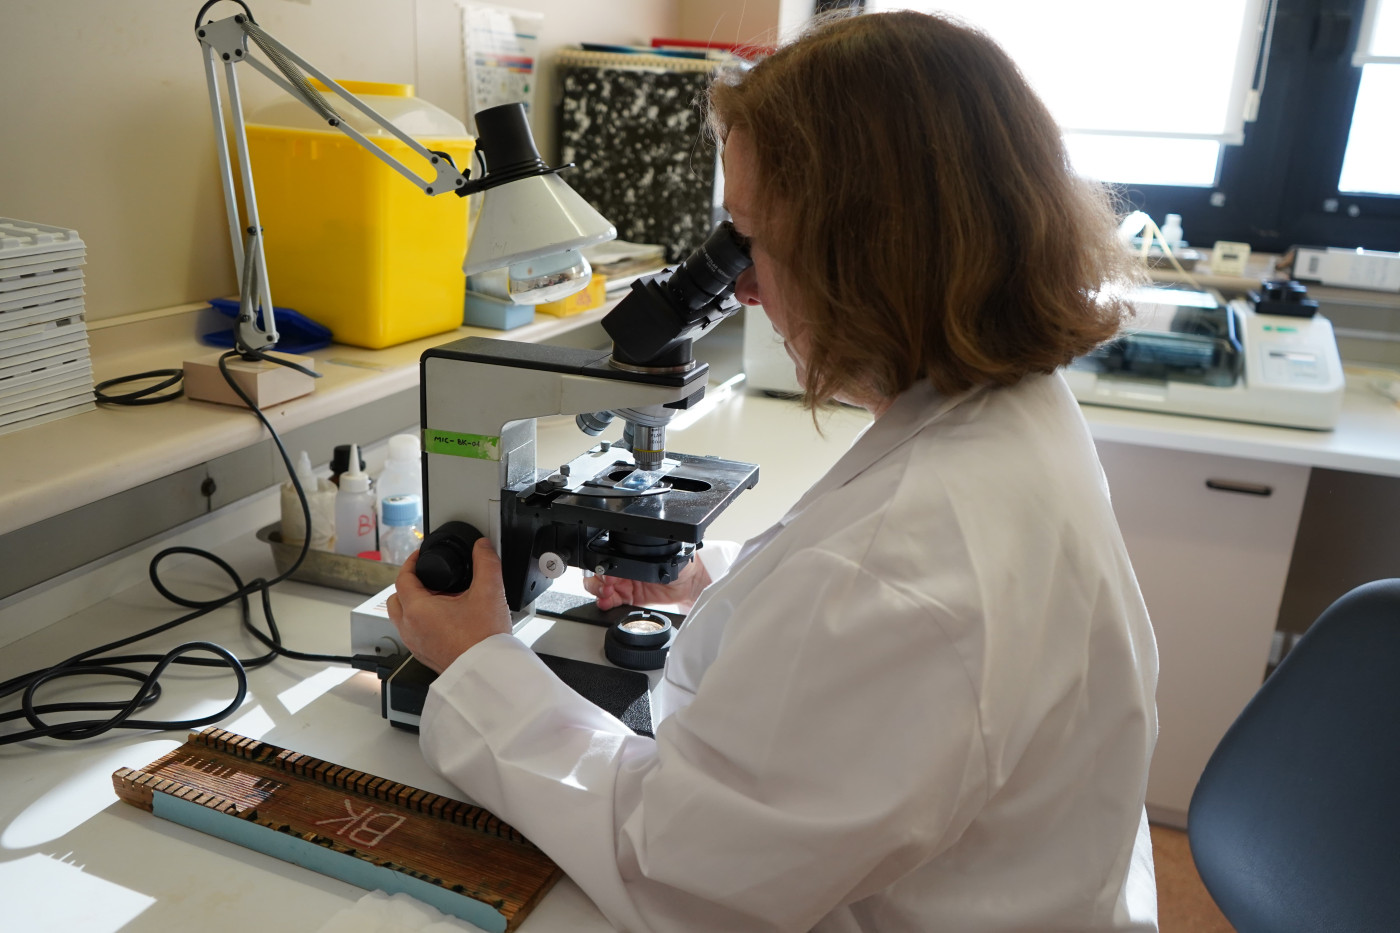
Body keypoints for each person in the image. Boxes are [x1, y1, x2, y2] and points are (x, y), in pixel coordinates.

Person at [388, 9, 1158, 931]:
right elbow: (865, 636)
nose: (742, 287)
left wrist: (479, 667)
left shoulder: (900, 566)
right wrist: (721, 586)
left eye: (753, 242)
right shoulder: (1016, 412)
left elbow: (677, 868)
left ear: (867, 260)